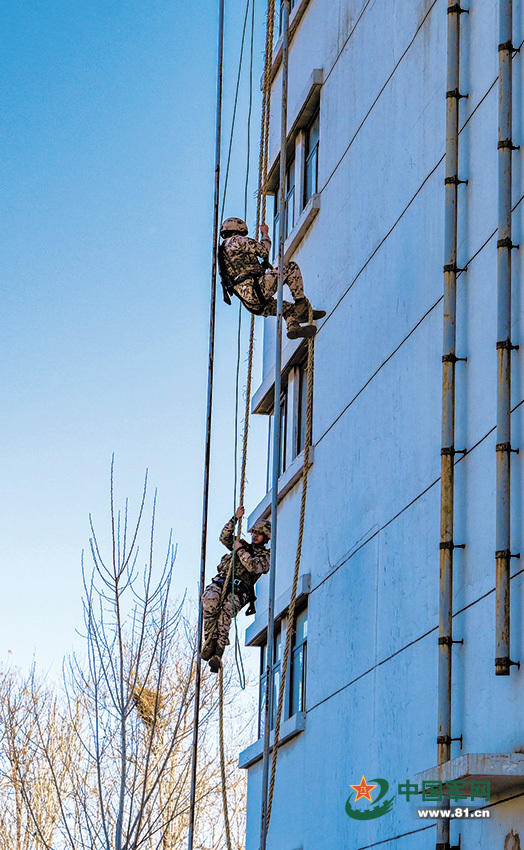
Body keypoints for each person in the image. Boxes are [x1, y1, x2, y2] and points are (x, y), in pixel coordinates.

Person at [218, 217, 326, 340]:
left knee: (286, 308)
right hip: (256, 290)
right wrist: (265, 234)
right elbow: (263, 250)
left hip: (249, 301)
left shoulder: (224, 252)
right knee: (290, 268)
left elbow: (242, 272)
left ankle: (293, 327)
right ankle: (302, 306)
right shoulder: (235, 240)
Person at [201, 506, 271, 673]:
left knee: (226, 611)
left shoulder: (264, 557)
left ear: (264, 537)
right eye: (254, 532)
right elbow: (224, 537)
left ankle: (218, 652)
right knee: (210, 601)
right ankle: (210, 640)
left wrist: (239, 549)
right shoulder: (243, 544)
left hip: (240, 589)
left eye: (258, 533)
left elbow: (253, 567)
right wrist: (235, 519)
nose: (255, 535)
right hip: (223, 580)